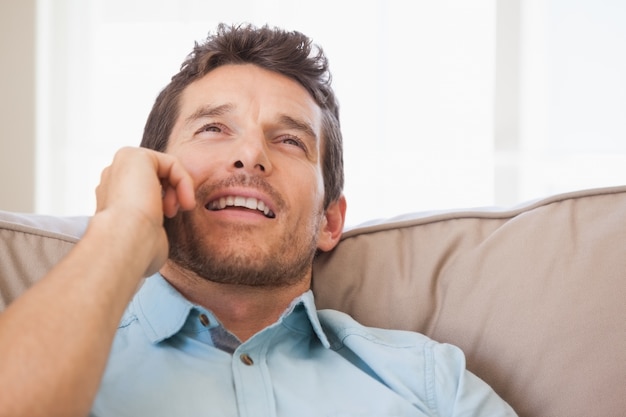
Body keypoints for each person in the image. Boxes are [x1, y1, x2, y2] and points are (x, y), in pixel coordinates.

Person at [0, 23, 517, 416]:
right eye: (213, 128)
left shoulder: (430, 383)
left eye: (290, 139)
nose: (250, 154)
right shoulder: (54, 350)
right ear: (154, 177)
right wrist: (121, 227)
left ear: (330, 220)